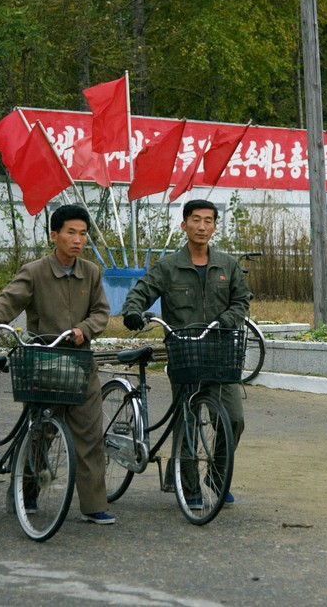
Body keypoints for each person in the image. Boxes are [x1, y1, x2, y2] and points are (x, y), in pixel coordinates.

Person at [0, 204, 115, 525]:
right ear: (55, 235)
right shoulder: (35, 271)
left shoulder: (91, 273)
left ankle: (94, 505)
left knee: (90, 434)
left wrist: (85, 329)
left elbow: (101, 313)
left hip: (80, 363)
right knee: (40, 433)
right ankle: (26, 491)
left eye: (83, 234)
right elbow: (9, 299)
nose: (78, 240)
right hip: (44, 361)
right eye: (71, 232)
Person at [120, 199, 251, 504]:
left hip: (220, 353)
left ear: (215, 226)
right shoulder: (168, 267)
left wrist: (226, 320)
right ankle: (189, 488)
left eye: (208, 220)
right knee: (188, 421)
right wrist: (133, 312)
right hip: (185, 354)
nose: (201, 226)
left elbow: (241, 300)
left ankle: (216, 477)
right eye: (195, 220)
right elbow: (140, 292)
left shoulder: (228, 265)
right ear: (184, 225)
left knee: (233, 419)